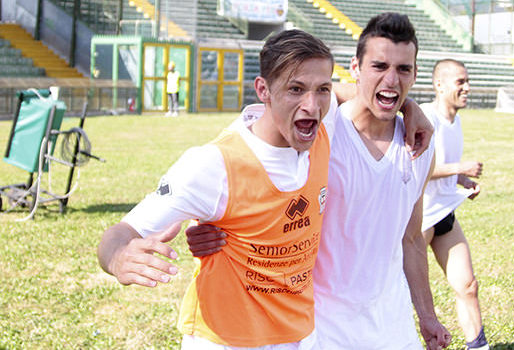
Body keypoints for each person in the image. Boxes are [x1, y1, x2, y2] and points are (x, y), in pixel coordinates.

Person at [97, 28, 432, 350]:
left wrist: (407, 106)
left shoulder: (322, 134)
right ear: (263, 90)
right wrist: (116, 257)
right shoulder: (215, 165)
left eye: (322, 91)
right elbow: (121, 232)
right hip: (225, 340)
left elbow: (360, 91)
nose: (311, 106)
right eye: (295, 89)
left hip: (301, 336)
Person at [187, 13, 452, 350]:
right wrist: (215, 225)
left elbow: (412, 238)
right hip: (320, 328)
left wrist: (426, 315)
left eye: (403, 70)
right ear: (355, 68)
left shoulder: (419, 147)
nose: (391, 79)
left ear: (415, 74)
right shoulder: (321, 130)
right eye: (379, 66)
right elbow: (250, 160)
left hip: (392, 327)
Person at [419, 59, 488, 350]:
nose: (467, 87)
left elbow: (441, 166)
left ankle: (478, 347)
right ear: (440, 85)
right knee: (399, 294)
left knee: (468, 285)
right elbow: (419, 168)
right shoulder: (425, 118)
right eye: (460, 82)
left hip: (445, 214)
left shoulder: (454, 120)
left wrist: (462, 179)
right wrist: (460, 166)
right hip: (418, 220)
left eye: (467, 81)